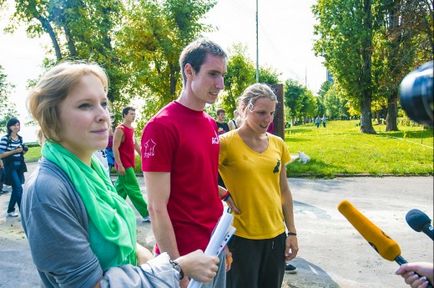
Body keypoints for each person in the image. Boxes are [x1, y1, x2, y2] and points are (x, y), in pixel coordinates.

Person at [23, 61, 220, 287]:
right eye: (85, 105)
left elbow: (127, 244)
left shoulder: (91, 169)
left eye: (104, 103)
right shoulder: (47, 190)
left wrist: (160, 266)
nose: (103, 115)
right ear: (52, 116)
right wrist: (176, 268)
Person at [141, 39, 228, 288]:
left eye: (222, 75)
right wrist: (176, 268)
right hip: (185, 257)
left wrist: (223, 244)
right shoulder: (161, 126)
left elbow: (206, 184)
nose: (220, 84)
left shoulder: (210, 123)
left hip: (214, 247)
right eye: (213, 74)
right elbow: (157, 207)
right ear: (189, 71)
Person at [218, 83, 299, 288]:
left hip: (276, 236)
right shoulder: (225, 143)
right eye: (261, 112)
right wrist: (221, 192)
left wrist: (292, 232)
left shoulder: (278, 143)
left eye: (271, 113)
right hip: (241, 237)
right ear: (244, 108)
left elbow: (284, 191)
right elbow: (198, 178)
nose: (268, 119)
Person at [113, 107, 150, 222]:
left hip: (130, 164)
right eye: (131, 114)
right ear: (124, 115)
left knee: (119, 191)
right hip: (124, 165)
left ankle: (112, 210)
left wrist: (144, 157)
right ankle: (146, 214)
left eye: (134, 114)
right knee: (134, 189)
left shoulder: (132, 129)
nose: (133, 116)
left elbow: (135, 145)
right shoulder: (120, 129)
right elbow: (115, 148)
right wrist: (120, 165)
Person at [0, 117, 28, 217]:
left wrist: (24, 150)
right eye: (14, 125)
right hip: (10, 167)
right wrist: (15, 151)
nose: (16, 127)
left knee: (16, 189)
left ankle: (10, 210)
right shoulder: (5, 139)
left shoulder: (20, 138)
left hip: (19, 166)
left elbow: (21, 153)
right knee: (18, 188)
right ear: (9, 127)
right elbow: (1, 154)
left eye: (18, 124)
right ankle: (23, 212)